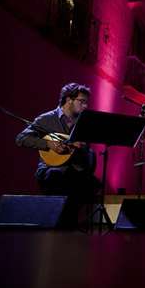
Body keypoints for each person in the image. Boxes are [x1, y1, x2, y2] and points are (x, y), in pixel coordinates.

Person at [15, 83, 98, 229]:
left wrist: (82, 147)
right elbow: (21, 138)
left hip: (75, 171)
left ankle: (68, 232)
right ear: (68, 99)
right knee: (57, 178)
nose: (85, 106)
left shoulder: (83, 122)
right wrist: (49, 144)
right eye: (82, 101)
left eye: (86, 102)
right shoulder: (47, 119)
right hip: (51, 169)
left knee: (91, 184)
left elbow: (88, 153)